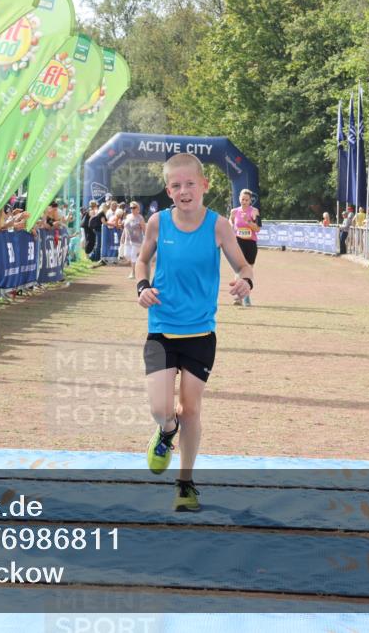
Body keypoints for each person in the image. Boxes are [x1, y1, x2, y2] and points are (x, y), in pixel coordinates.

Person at [135, 153, 254, 512]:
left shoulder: (219, 226)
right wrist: (142, 286)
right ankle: (165, 431)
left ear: (204, 185)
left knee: (190, 410)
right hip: (161, 328)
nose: (184, 191)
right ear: (169, 190)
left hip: (201, 333)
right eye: (176, 186)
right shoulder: (157, 223)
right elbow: (142, 260)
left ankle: (185, 484)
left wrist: (246, 281)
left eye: (190, 184)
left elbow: (243, 264)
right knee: (161, 409)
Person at [229, 189, 261, 306]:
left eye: (247, 200)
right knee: (239, 269)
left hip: (251, 244)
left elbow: (257, 229)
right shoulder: (234, 212)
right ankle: (238, 297)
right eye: (242, 199)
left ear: (250, 200)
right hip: (238, 242)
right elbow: (230, 223)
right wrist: (231, 225)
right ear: (239, 199)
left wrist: (249, 222)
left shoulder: (254, 211)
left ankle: (246, 296)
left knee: (248, 270)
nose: (244, 202)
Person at [122, 202, 146, 279]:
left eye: (134, 207)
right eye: (131, 207)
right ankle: (138, 263)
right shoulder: (128, 216)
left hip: (137, 240)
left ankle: (133, 272)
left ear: (138, 208)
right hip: (128, 240)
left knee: (132, 255)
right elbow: (125, 228)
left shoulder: (140, 218)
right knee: (126, 255)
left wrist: (146, 240)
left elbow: (144, 230)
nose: (132, 209)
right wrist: (122, 237)